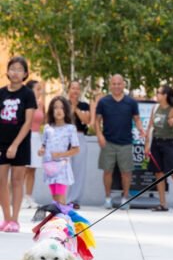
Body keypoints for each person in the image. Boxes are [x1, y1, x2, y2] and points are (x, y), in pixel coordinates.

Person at [94, 74, 146, 210]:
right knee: (107, 171)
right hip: (108, 142)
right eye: (114, 84)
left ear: (123, 85)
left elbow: (137, 119)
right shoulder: (103, 102)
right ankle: (107, 199)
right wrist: (99, 135)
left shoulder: (131, 102)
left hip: (126, 142)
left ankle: (125, 198)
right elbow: (97, 121)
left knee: (126, 172)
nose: (116, 86)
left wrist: (141, 129)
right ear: (110, 85)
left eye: (119, 83)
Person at [0, 56, 38, 233]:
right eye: (12, 68)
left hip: (20, 143)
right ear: (7, 71)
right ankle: (6, 218)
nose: (15, 72)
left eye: (19, 69)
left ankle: (15, 219)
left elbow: (28, 122)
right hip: (1, 142)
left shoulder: (28, 94)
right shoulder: (1, 93)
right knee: (1, 180)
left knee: (16, 180)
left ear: (25, 74)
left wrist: (15, 145)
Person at [146, 85, 173, 212]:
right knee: (159, 174)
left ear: (165, 95)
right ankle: (163, 204)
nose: (157, 94)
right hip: (156, 143)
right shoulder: (155, 108)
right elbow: (150, 127)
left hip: (168, 144)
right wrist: (147, 145)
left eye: (158, 92)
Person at [38, 96, 79, 205]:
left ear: (66, 110)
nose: (59, 110)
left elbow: (76, 149)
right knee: (55, 199)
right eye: (55, 108)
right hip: (49, 168)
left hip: (62, 167)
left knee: (61, 199)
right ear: (52, 110)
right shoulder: (47, 128)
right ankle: (56, 220)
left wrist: (60, 154)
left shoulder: (70, 128)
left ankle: (64, 219)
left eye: (62, 107)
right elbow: (44, 144)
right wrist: (41, 150)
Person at [66, 80, 91, 209]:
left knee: (78, 170)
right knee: (64, 169)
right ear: (68, 90)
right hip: (64, 138)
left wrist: (75, 108)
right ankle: (63, 198)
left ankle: (74, 200)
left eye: (77, 88)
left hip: (79, 137)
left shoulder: (84, 106)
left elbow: (86, 120)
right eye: (72, 88)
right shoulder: (63, 104)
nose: (75, 91)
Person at [22, 79, 44, 209]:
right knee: (23, 169)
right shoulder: (25, 104)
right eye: (38, 89)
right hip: (25, 137)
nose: (40, 92)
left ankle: (29, 197)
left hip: (36, 137)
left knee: (32, 170)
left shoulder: (41, 104)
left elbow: (44, 121)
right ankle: (16, 198)